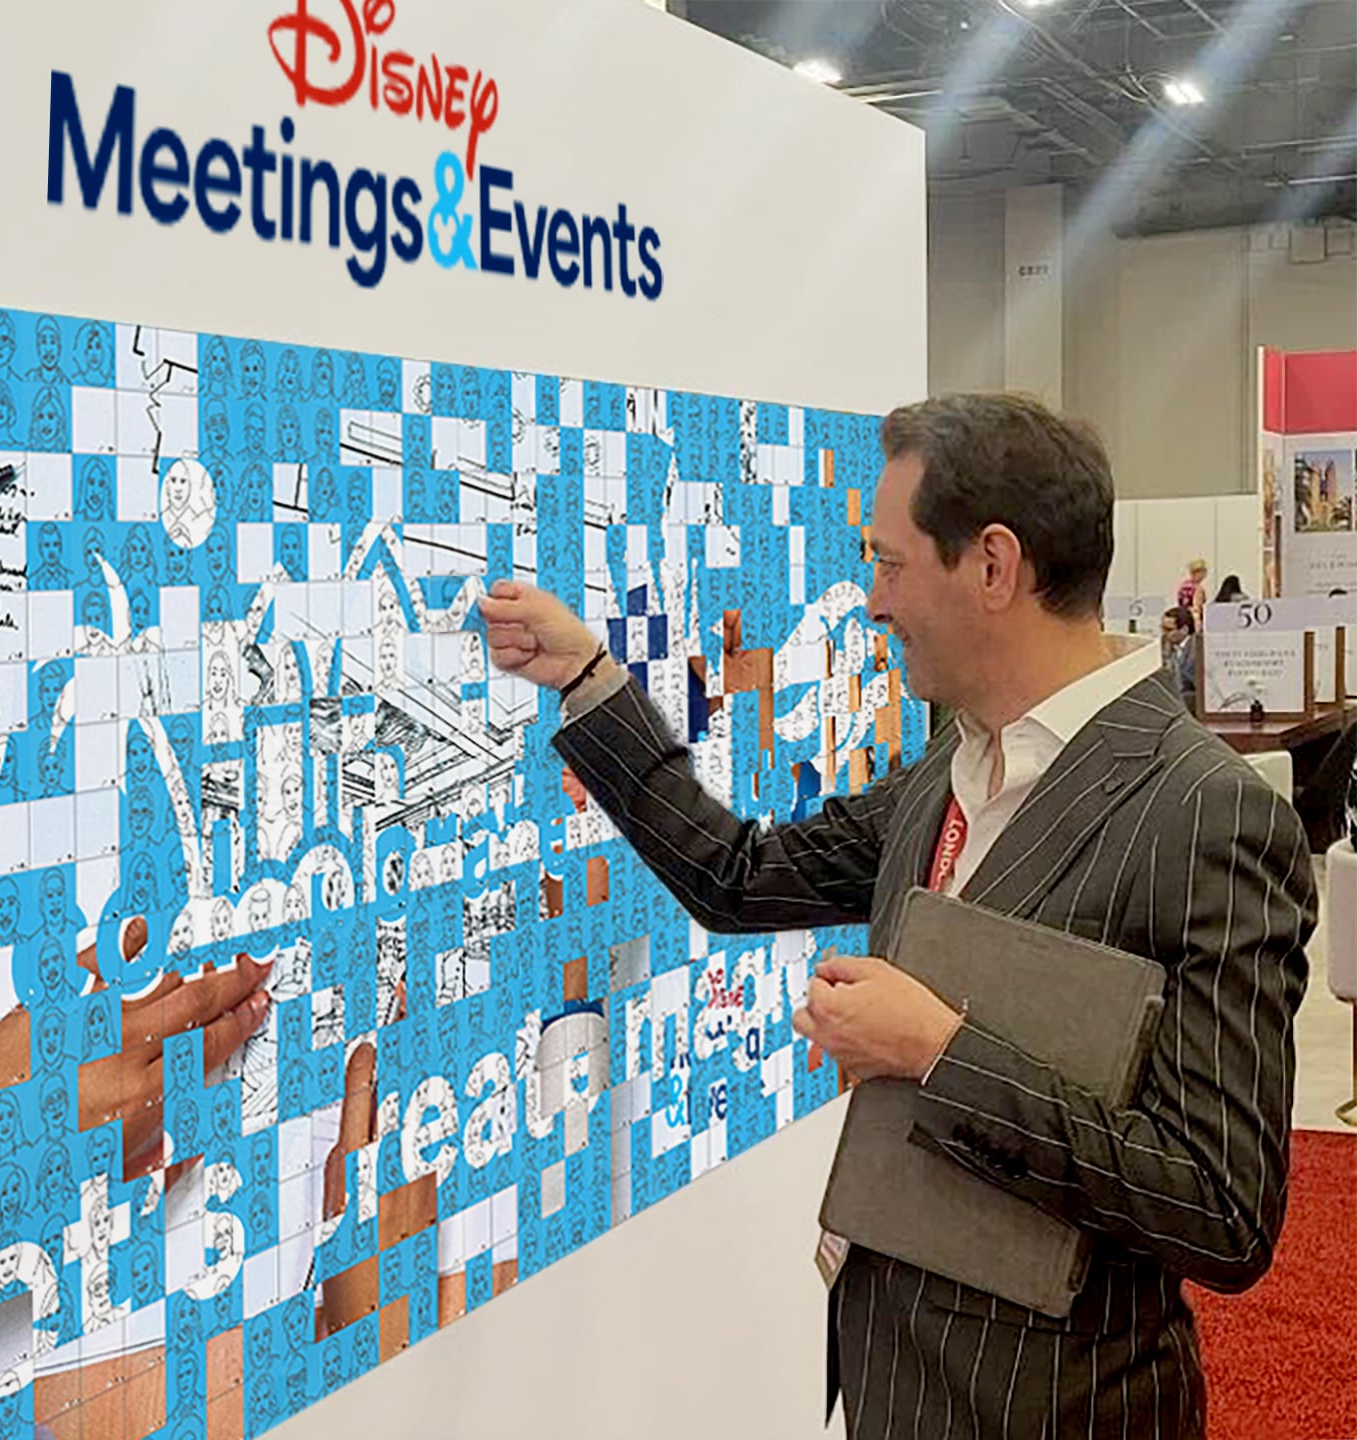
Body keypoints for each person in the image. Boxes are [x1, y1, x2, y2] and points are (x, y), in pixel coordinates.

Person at [480, 392, 1312, 1438]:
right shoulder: (946, 775)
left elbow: (1221, 1208)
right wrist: (588, 680)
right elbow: (740, 875)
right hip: (899, 1389)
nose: (872, 600)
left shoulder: (1204, 816)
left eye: (889, 562)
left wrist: (939, 1054)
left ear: (994, 567)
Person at [1160, 603, 1196, 709]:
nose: (1163, 633)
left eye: (1168, 629)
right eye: (1162, 628)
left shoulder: (1196, 649)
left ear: (1184, 629)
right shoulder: (1169, 647)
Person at [1176, 555, 1209, 622]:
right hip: (1192, 619)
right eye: (1204, 571)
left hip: (1182, 617)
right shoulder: (1198, 588)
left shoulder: (1183, 586)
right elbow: (1196, 609)